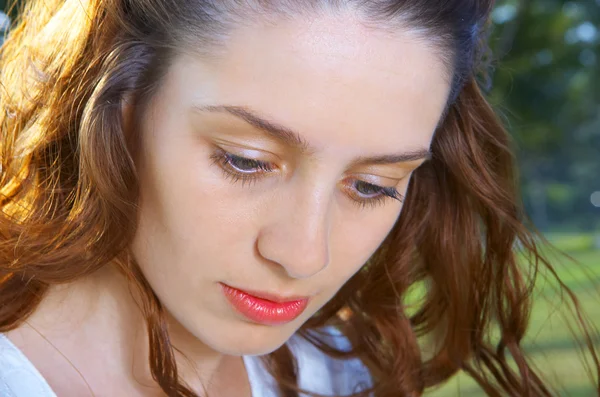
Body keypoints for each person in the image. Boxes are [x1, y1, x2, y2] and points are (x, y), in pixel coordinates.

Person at [0, 0, 597, 396]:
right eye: (246, 161)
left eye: (372, 186)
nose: (304, 255)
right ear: (111, 113)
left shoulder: (332, 372)